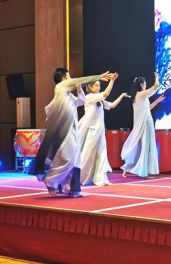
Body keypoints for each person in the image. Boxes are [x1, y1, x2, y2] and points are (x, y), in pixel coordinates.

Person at [32, 67, 112, 196]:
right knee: (69, 158)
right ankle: (51, 181)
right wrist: (99, 76)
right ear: (64, 78)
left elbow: (81, 101)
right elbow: (79, 80)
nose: (71, 79)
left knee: (76, 159)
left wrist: (80, 90)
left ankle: (72, 189)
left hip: (72, 129)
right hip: (64, 130)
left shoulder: (67, 95)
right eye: (69, 76)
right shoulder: (61, 87)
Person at [79, 74, 128, 186]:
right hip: (92, 130)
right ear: (90, 87)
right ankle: (78, 177)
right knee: (87, 154)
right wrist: (112, 81)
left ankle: (100, 179)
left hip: (100, 130)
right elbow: (105, 94)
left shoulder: (99, 101)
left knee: (101, 154)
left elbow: (112, 105)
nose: (98, 87)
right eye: (96, 85)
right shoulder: (89, 97)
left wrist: (121, 95)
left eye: (99, 85)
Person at [121, 74, 165, 178]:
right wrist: (156, 78)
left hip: (145, 122)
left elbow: (148, 108)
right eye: (145, 83)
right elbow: (156, 86)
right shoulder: (140, 94)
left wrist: (157, 101)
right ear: (141, 84)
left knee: (141, 147)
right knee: (146, 147)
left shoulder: (138, 96)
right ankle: (144, 172)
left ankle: (129, 168)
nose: (145, 85)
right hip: (145, 123)